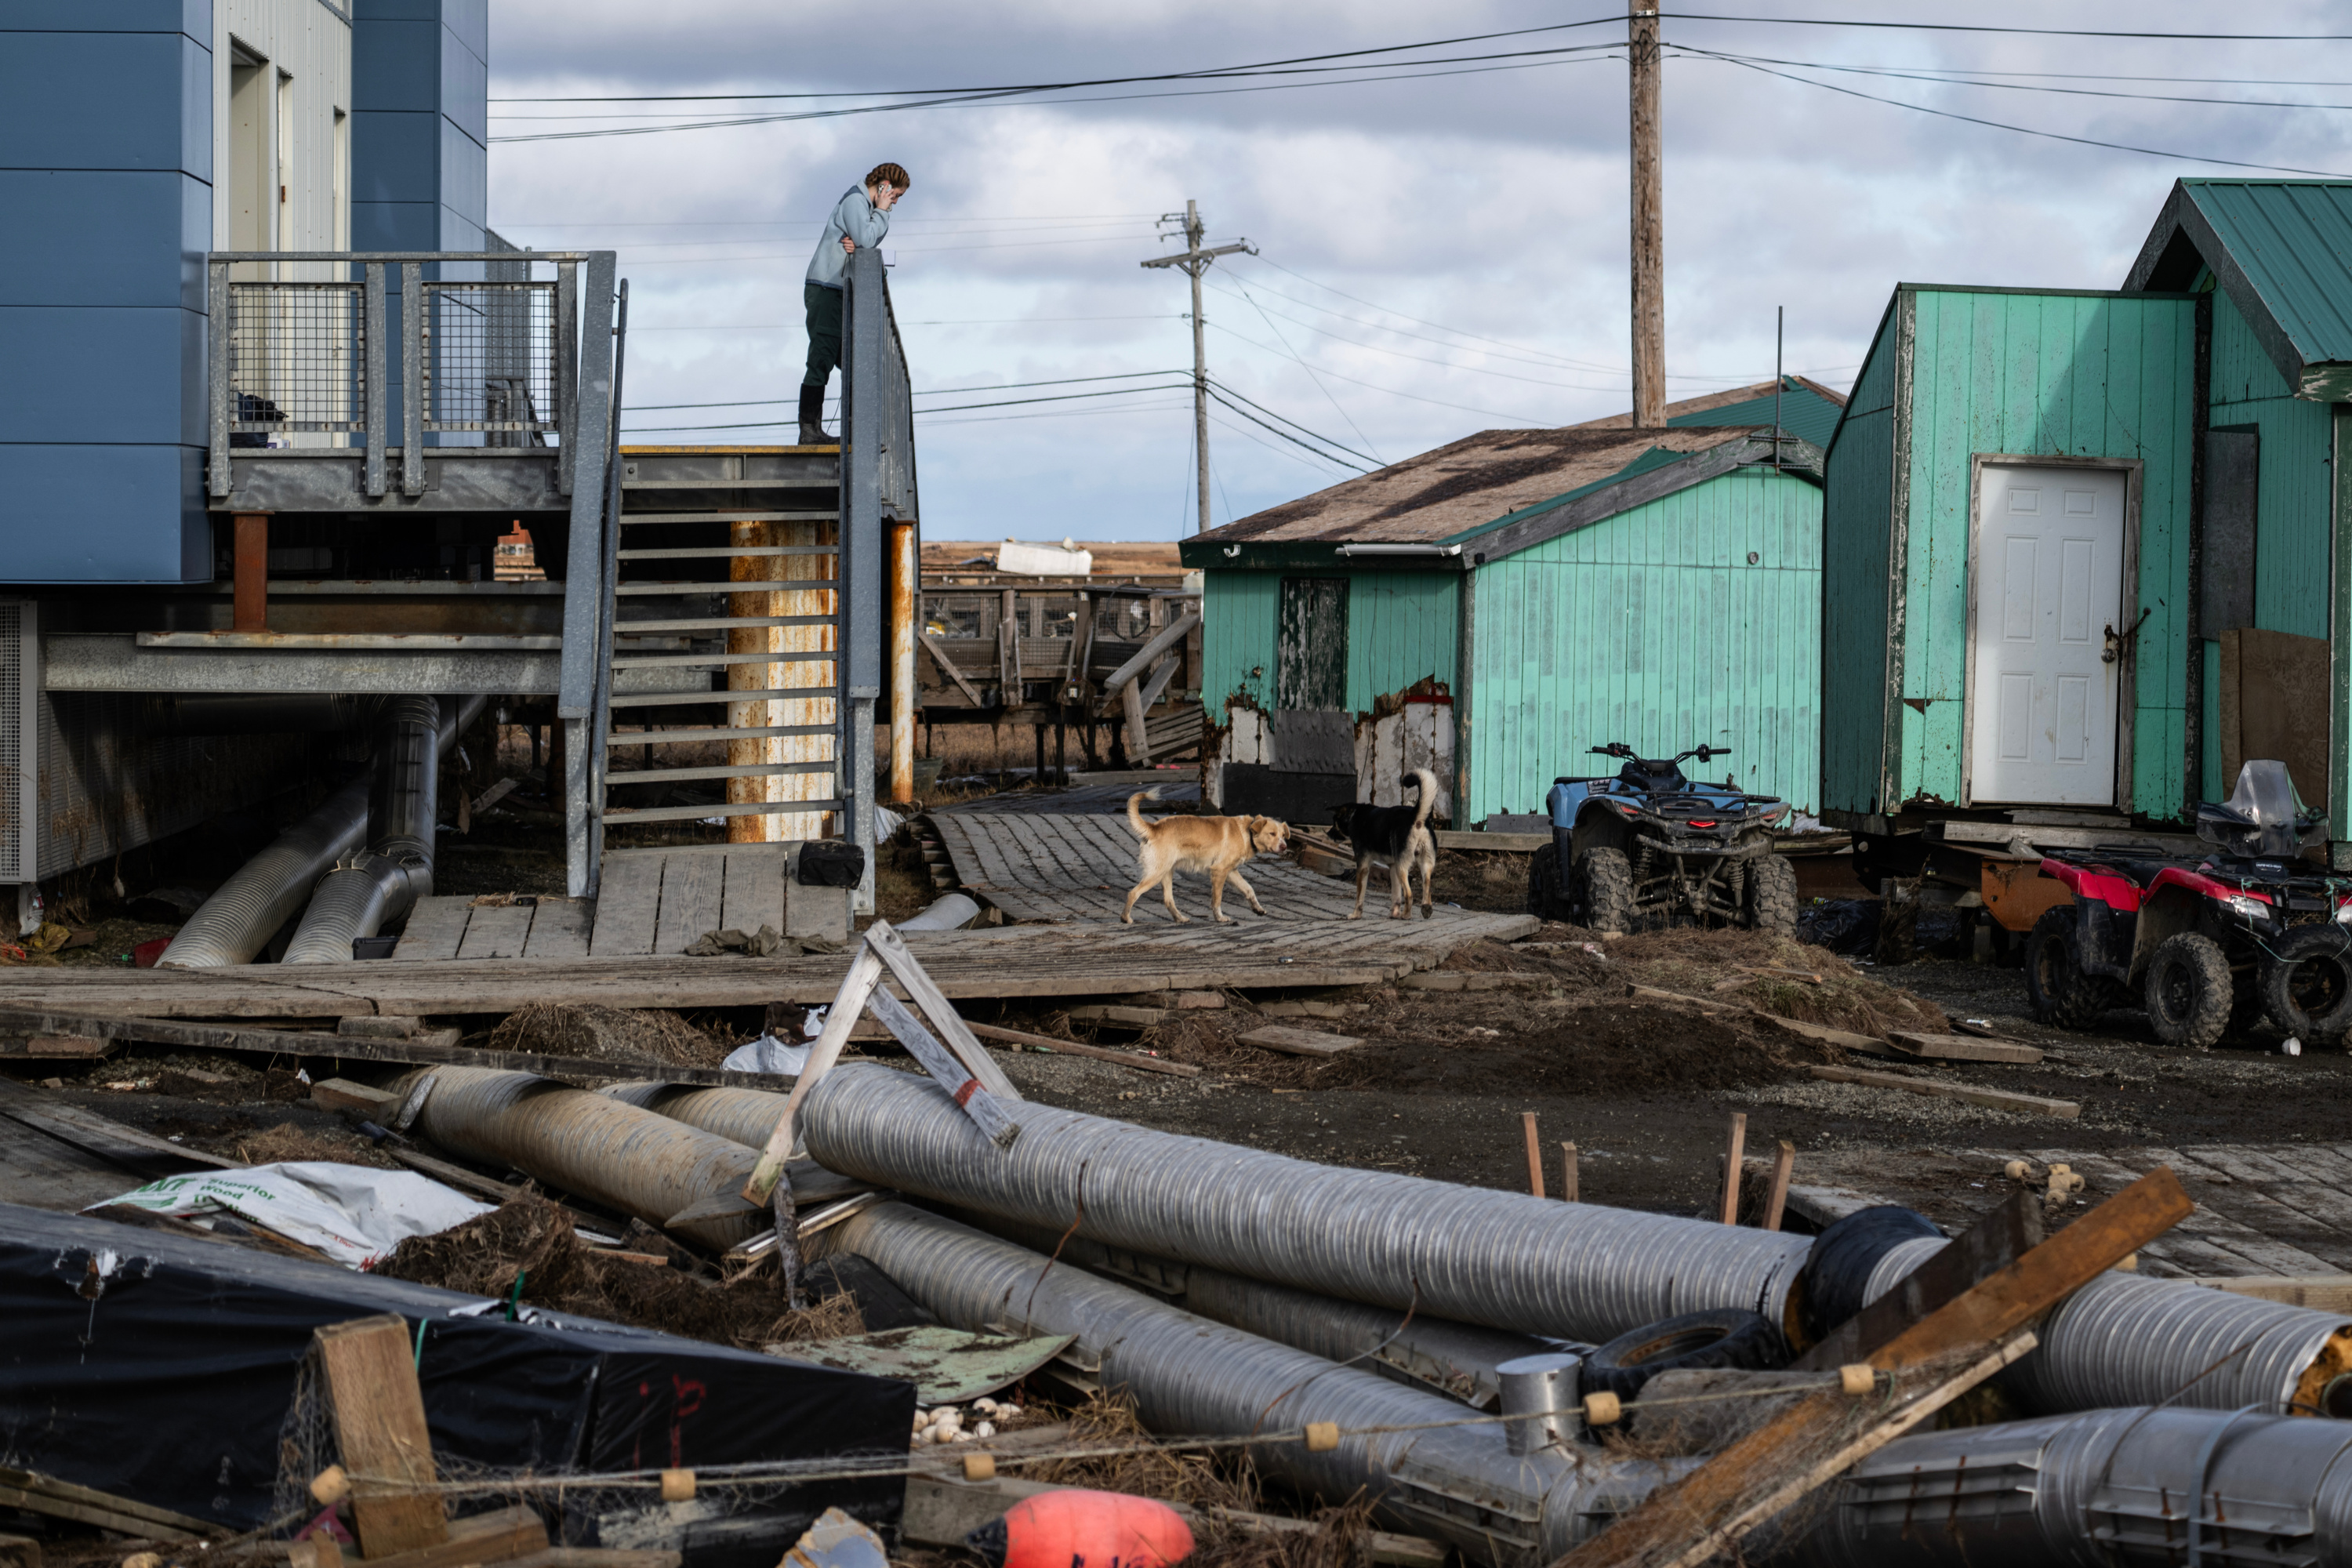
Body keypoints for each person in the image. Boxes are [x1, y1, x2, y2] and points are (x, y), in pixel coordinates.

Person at [800, 162, 909, 445]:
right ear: (883, 185)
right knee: (823, 356)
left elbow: (865, 242)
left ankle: (853, 432)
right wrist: (881, 212)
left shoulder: (866, 208)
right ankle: (809, 432)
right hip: (826, 289)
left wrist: (865, 240)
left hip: (837, 291)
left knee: (852, 361)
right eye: (894, 195)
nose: (894, 203)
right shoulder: (855, 201)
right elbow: (867, 238)